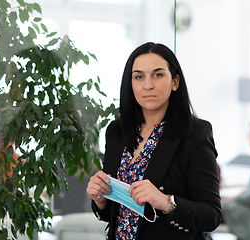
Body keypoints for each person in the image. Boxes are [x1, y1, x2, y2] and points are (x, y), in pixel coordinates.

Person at [86, 42, 221, 240]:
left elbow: (212, 216)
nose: (148, 85)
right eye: (139, 77)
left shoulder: (195, 133)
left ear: (175, 82)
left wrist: (166, 202)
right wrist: (100, 199)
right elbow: (117, 215)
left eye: (158, 75)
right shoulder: (117, 131)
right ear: (130, 84)